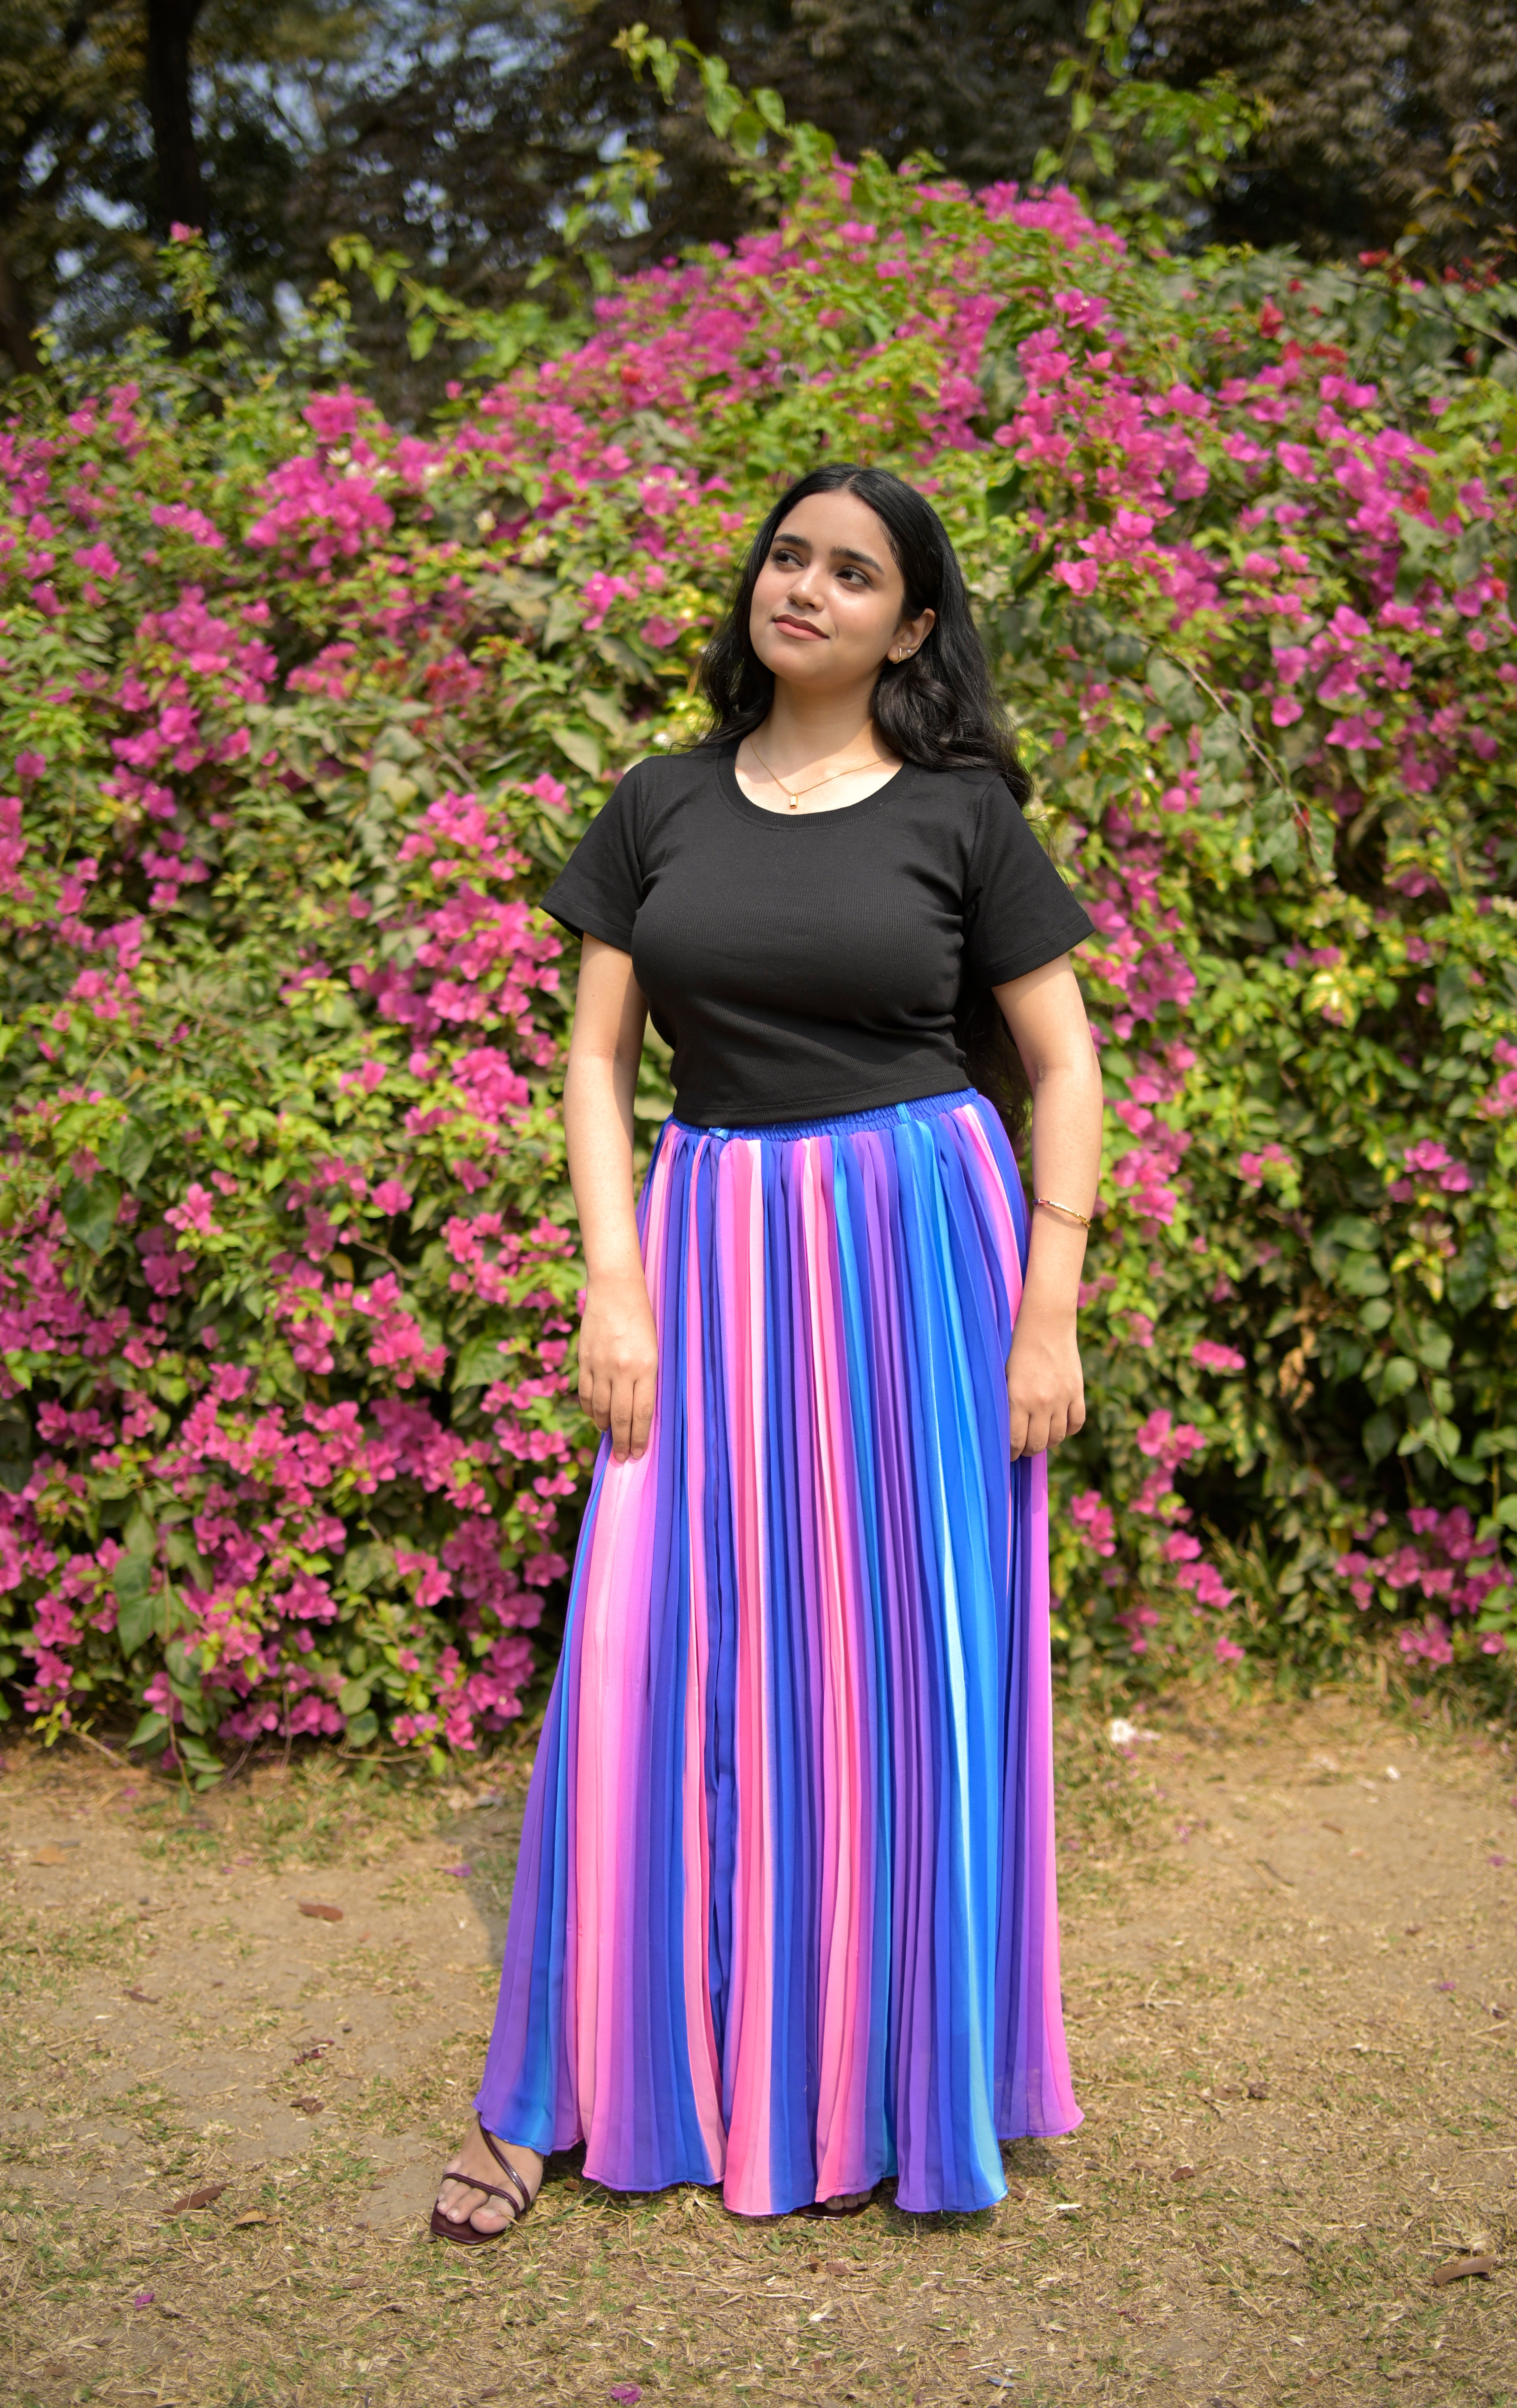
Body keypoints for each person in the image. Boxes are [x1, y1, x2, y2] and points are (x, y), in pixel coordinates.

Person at [431, 461, 1102, 2240]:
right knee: (650, 1646)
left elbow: (1065, 1065)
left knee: (905, 1673)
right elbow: (596, 1062)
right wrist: (610, 1280)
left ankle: (886, 2085)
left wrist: (1051, 1303)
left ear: (912, 624)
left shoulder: (963, 816)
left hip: (919, 1241)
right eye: (788, 556)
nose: (805, 587)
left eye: (854, 571)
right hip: (713, 1242)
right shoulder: (658, 803)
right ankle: (588, 2078)